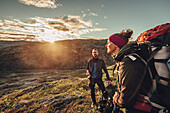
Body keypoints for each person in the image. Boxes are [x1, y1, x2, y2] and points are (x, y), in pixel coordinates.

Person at [105, 29, 160, 113]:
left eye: (109, 42)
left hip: (140, 109)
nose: (106, 45)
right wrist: (118, 93)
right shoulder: (124, 60)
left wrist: (117, 101)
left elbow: (126, 97)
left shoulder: (128, 62)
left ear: (116, 45)